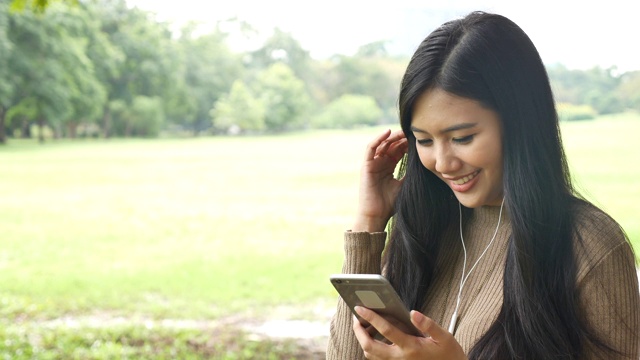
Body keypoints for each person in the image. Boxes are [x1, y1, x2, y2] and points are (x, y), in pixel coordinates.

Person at [326, 11, 639, 360]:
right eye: (424, 141)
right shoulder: (424, 231)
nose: (442, 164)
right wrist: (369, 222)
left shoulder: (589, 245)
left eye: (461, 137)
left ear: (518, 123)